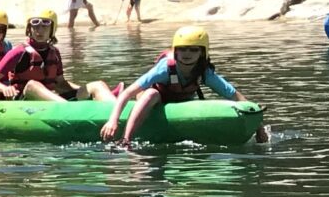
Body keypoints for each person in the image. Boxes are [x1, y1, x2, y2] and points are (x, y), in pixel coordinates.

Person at [99, 23, 245, 145]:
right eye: (182, 49)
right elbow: (128, 93)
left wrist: (258, 127)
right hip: (154, 98)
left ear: (202, 53)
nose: (187, 54)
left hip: (181, 101)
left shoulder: (205, 72)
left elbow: (234, 95)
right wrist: (113, 120)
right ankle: (125, 140)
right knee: (151, 93)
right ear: (175, 50)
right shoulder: (165, 69)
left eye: (194, 50)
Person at [0, 9, 113, 103]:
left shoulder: (55, 53)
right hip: (23, 101)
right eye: (35, 25)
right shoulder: (19, 51)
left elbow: (61, 84)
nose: (39, 30)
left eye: (44, 26)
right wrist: (4, 88)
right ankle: (69, 109)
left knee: (98, 85)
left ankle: (115, 109)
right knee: (32, 85)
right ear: (29, 29)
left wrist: (87, 91)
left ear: (52, 29)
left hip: (51, 100)